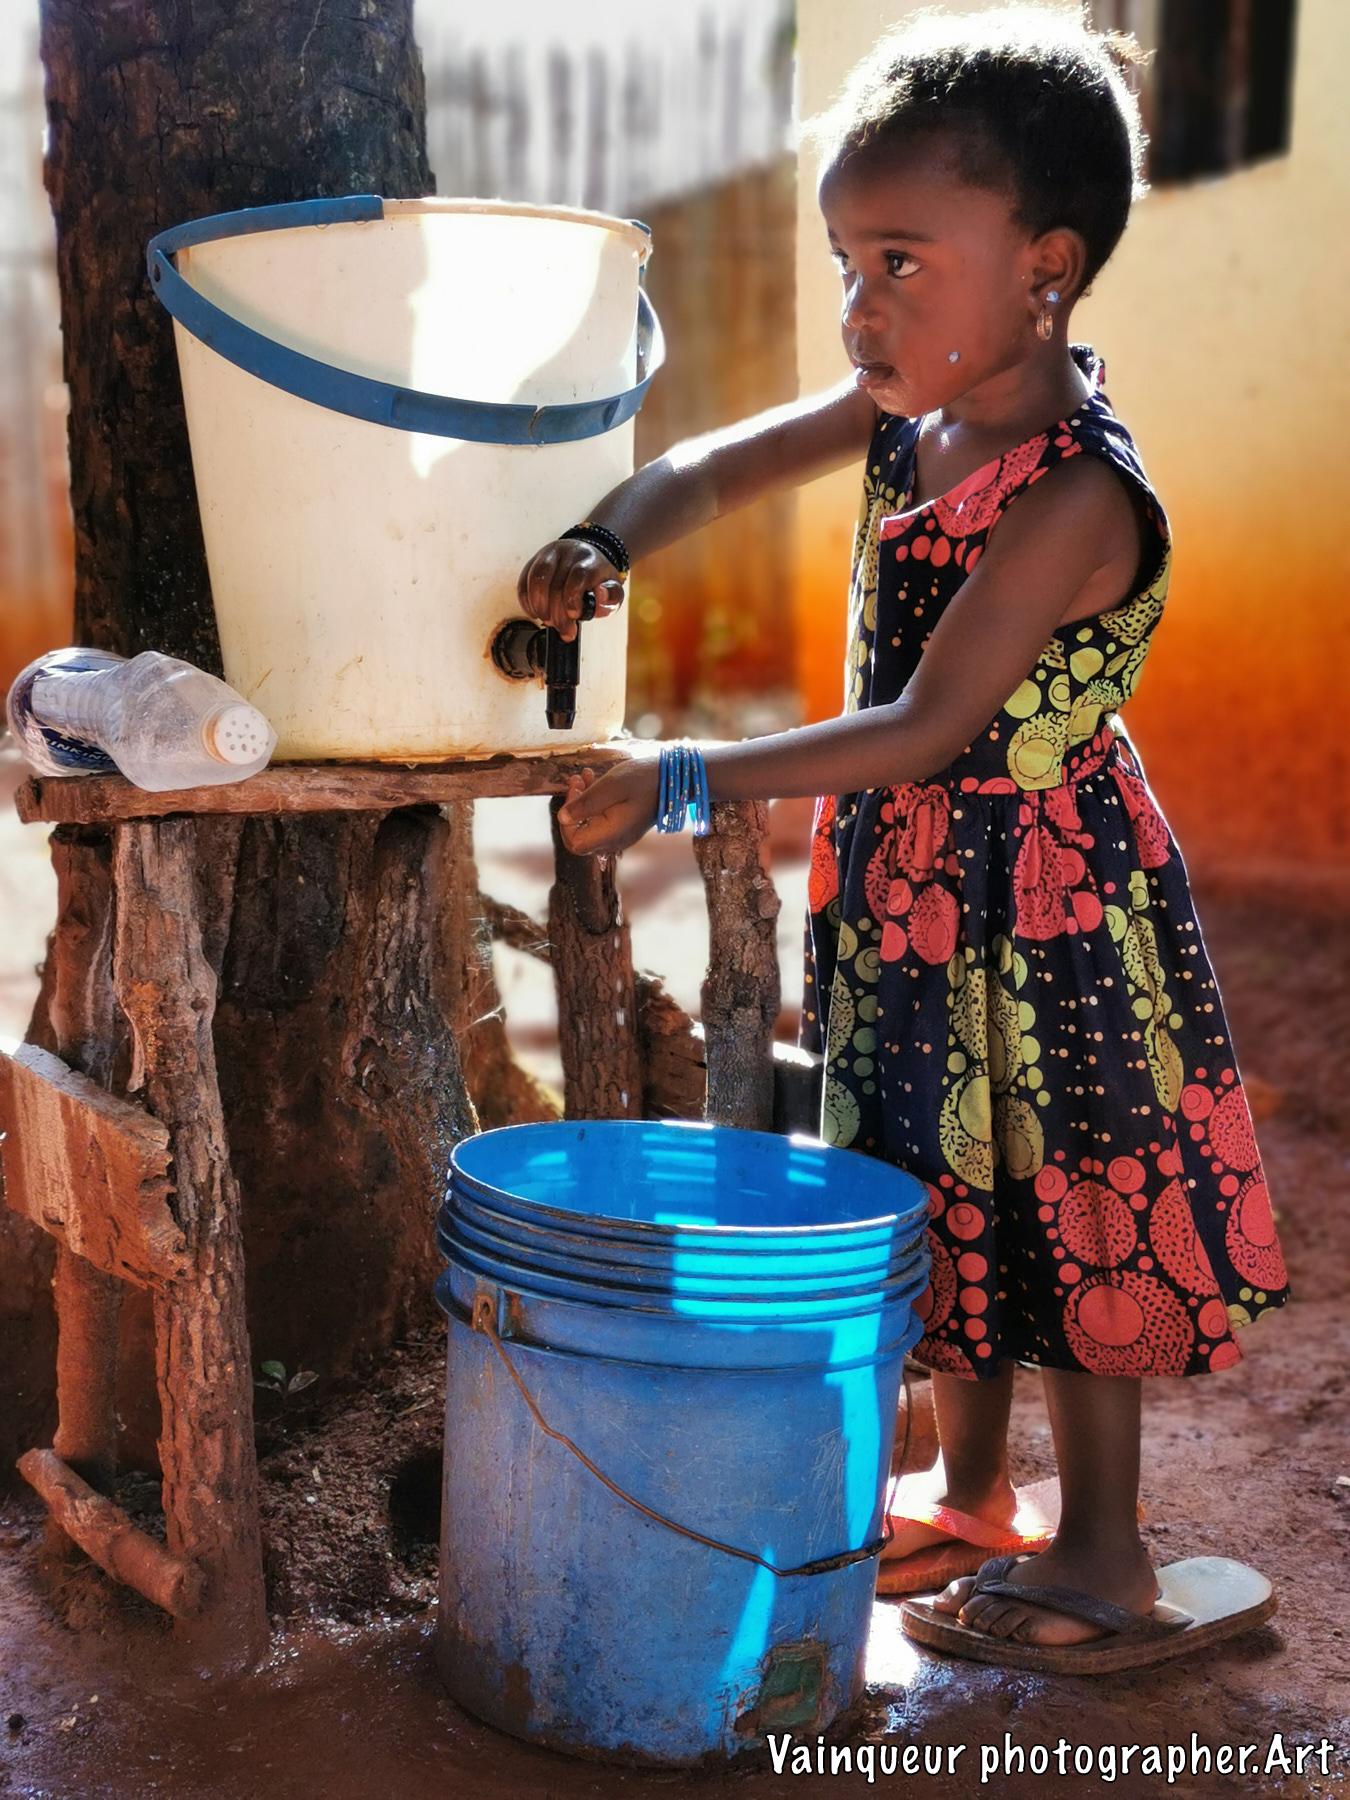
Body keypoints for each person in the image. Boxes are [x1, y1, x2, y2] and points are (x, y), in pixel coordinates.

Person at [517, 3, 1287, 1669]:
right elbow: (711, 466)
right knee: (940, 1182)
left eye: (899, 264)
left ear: (1044, 271)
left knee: (1072, 1203)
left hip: (1049, 901)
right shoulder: (903, 420)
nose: (858, 308)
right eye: (844, 265)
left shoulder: (1075, 489)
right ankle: (971, 1490)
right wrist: (606, 534)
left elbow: (933, 725)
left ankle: (1106, 1554)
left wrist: (684, 778)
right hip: (917, 891)